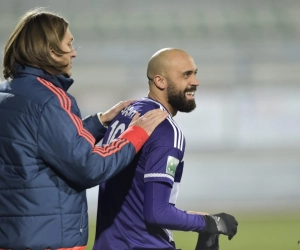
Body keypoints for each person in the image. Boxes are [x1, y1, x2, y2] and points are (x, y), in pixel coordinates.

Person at [0, 8, 168, 250]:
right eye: (69, 44)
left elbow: (44, 143)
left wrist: (98, 123)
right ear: (50, 51)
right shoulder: (49, 99)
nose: (74, 53)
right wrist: (137, 133)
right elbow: (89, 167)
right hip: (49, 241)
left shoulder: (8, 92)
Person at [93, 48, 238, 250]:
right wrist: (210, 223)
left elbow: (137, 198)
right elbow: (157, 212)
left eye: (195, 73)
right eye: (186, 74)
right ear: (160, 81)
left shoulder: (127, 114)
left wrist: (202, 221)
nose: (195, 81)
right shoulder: (165, 130)